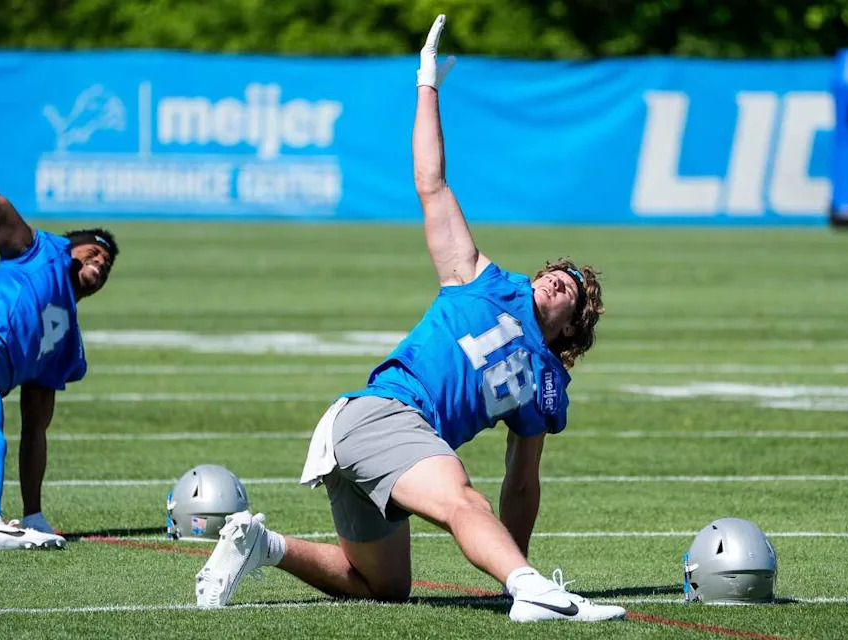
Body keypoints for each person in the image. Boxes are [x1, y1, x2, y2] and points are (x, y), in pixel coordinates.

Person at [195, 15, 624, 623]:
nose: (561, 278)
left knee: (382, 586)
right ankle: (536, 594)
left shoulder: (546, 387)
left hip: (389, 444)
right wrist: (427, 84)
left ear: (571, 327)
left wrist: (514, 561)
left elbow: (522, 486)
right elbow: (432, 182)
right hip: (384, 415)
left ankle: (263, 545)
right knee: (458, 497)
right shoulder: (481, 280)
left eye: (572, 289)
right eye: (559, 271)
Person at [0, 75, 119, 551]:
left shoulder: (66, 342)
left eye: (106, 265)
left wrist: (34, 515)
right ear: (70, 246)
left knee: (4, 421)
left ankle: (9, 517)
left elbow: (36, 430)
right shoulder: (35, 251)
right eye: (94, 252)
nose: (99, 263)